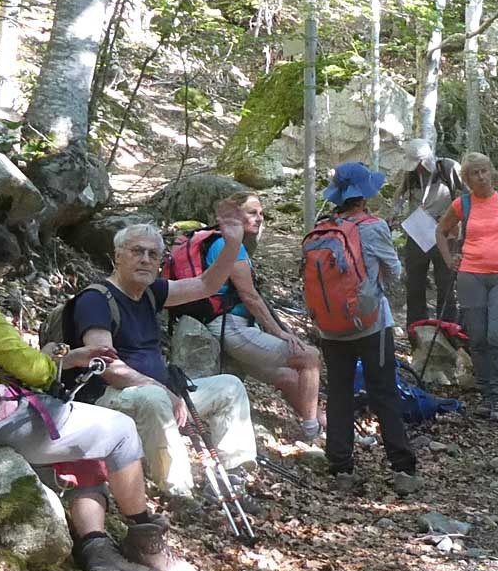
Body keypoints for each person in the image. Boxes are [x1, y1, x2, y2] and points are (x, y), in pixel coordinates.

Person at [0, 218, 175, 571]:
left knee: (87, 445)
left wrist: (57, 358)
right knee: (121, 431)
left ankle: (96, 546)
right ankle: (143, 535)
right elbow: (35, 371)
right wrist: (70, 359)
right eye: (1, 269)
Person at [59, 202, 258, 505]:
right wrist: (162, 390)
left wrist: (233, 242)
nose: (145, 259)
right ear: (117, 257)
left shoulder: (152, 292)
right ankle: (178, 491)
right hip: (108, 399)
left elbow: (207, 284)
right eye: (136, 251)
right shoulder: (96, 299)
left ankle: (233, 477)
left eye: (153, 254)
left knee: (229, 386)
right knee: (152, 399)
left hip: (159, 395)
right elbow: (106, 367)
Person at [316, 161, 421, 495]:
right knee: (384, 391)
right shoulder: (373, 226)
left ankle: (339, 466)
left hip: (330, 327)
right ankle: (402, 466)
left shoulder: (321, 227)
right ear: (364, 195)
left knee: (339, 393)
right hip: (370, 324)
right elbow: (393, 272)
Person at [201, 191, 324, 443]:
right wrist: (279, 332)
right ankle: (313, 431)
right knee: (310, 356)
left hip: (233, 327)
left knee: (288, 377)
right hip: (229, 326)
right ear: (235, 216)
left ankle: (324, 427)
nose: (259, 218)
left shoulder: (226, 244)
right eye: (252, 213)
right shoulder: (229, 246)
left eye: (261, 213)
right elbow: (250, 296)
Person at [434, 152, 498, 425]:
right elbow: (441, 231)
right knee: (478, 338)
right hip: (471, 275)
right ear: (467, 179)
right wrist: (449, 260)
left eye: (483, 171)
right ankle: (487, 394)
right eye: (474, 174)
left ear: (491, 171)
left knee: (497, 335)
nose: (480, 177)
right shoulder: (462, 204)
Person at [389, 138, 467, 329]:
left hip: (446, 232)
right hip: (418, 233)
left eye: (421, 164)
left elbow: (467, 193)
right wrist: (392, 216)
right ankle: (415, 327)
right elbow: (399, 197)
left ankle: (448, 327)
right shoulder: (410, 175)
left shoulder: (447, 168)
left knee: (446, 282)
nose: (419, 169)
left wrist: (460, 221)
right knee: (414, 282)